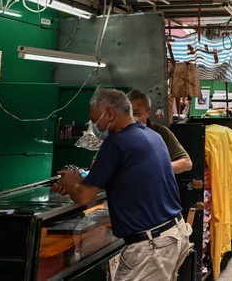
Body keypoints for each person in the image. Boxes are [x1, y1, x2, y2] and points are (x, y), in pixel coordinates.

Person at [52, 89, 191, 281]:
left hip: (151, 248)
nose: (94, 126)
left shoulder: (116, 143)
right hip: (175, 235)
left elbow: (84, 196)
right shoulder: (153, 137)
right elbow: (125, 176)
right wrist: (73, 185)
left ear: (110, 114)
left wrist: (72, 184)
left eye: (95, 119)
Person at [129, 90, 193, 175]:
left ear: (148, 112)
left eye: (135, 113)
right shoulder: (119, 134)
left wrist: (155, 168)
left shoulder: (160, 133)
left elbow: (186, 163)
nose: (132, 118)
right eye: (127, 113)